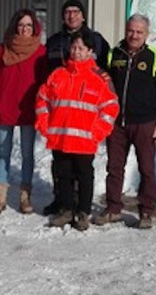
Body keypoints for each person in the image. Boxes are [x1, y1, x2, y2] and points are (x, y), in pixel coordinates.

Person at [93, 14, 156, 230]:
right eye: (131, 30)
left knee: (146, 168)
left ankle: (146, 212)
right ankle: (113, 209)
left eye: (139, 32)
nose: (134, 35)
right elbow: (102, 84)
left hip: (145, 123)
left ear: (146, 34)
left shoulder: (155, 58)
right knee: (114, 168)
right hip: (117, 123)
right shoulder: (113, 54)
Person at [35, 30, 119, 231]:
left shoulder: (99, 78)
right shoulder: (58, 74)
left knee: (84, 176)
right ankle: (65, 210)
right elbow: (42, 100)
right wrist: (45, 125)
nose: (77, 52)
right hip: (60, 138)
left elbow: (111, 107)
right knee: (62, 175)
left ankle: (83, 212)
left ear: (90, 51)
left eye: (82, 48)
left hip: (84, 141)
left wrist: (97, 132)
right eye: (74, 47)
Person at [43, 0, 110, 215]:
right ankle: (62, 202)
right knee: (60, 166)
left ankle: (82, 208)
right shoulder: (54, 41)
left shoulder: (97, 40)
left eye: (76, 11)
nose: (72, 15)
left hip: (84, 113)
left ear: (83, 15)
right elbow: (44, 78)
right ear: (63, 16)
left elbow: (106, 71)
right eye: (68, 11)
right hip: (60, 115)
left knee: (82, 168)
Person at [0, 8, 47, 215]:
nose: (24, 29)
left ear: (34, 28)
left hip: (29, 109)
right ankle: (0, 196)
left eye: (29, 25)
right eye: (21, 25)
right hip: (5, 109)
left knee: (27, 154)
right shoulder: (3, 50)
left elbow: (45, 84)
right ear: (14, 26)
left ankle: (25, 195)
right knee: (4, 152)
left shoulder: (40, 52)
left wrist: (43, 108)